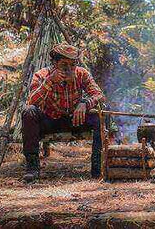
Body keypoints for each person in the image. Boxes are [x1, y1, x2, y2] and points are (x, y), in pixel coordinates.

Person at [22, 43, 104, 183]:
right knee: (29, 112)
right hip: (50, 120)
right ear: (54, 63)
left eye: (72, 65)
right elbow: (31, 100)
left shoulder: (81, 73)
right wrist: (50, 82)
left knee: (100, 115)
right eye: (64, 64)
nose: (69, 69)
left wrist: (85, 103)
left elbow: (98, 94)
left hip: (74, 120)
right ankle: (32, 168)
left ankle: (97, 167)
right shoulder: (42, 75)